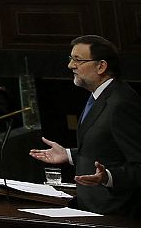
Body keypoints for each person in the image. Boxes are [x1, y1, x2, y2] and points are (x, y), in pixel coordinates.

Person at [31, 35, 141, 215]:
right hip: (91, 208)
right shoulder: (98, 96)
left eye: (78, 60)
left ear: (101, 66)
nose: (70, 65)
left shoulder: (121, 103)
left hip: (114, 214)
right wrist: (68, 155)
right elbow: (107, 149)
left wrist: (108, 177)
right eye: (71, 59)